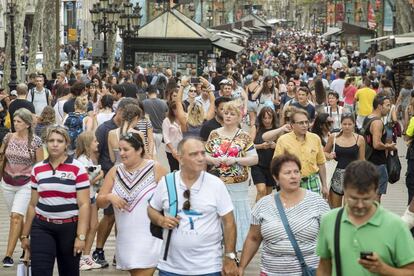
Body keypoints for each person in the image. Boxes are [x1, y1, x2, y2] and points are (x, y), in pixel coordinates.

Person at [148, 137, 238, 276]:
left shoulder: (216, 184)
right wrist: (161, 220)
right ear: (180, 158)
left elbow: (229, 222)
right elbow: (152, 209)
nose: (201, 158)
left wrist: (230, 257)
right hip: (171, 268)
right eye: (194, 154)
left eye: (203, 153)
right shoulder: (167, 182)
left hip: (208, 267)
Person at [316, 160, 414, 275]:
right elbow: (324, 267)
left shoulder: (396, 226)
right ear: (344, 190)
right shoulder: (330, 221)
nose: (360, 205)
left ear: (376, 191)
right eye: (353, 198)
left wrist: (383, 269)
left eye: (366, 199)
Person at [238, 153, 330, 275]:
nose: (293, 176)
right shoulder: (263, 205)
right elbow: (253, 238)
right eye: (288, 173)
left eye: (296, 172)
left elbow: (330, 238)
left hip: (308, 271)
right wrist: (241, 267)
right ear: (276, 178)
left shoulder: (317, 202)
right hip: (272, 272)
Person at [20, 125, 90, 276]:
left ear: (66, 144)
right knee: (40, 272)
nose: (55, 144)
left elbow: (84, 205)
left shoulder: (78, 168)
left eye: (59, 140)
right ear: (45, 143)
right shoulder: (37, 169)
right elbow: (33, 204)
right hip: (42, 227)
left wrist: (81, 236)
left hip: (70, 229)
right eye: (51, 140)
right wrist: (25, 235)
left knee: (69, 272)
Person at [97, 132, 167, 275]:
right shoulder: (115, 171)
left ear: (139, 149)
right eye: (120, 149)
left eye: (126, 149)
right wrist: (110, 197)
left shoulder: (155, 168)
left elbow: (170, 197)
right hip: (126, 238)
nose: (121, 153)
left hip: (150, 236)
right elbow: (100, 201)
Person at [205, 101, 258, 251]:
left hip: (238, 183)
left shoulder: (244, 136)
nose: (228, 116)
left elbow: (254, 159)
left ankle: (238, 247)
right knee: (216, 212)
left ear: (239, 117)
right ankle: (218, 246)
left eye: (232, 113)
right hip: (216, 181)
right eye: (226, 113)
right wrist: (212, 160)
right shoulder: (214, 134)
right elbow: (205, 153)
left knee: (237, 213)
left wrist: (236, 160)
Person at [92, 97, 138, 268]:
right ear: (119, 112)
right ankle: (98, 250)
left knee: (123, 217)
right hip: (108, 175)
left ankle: (120, 252)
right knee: (109, 216)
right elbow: (96, 152)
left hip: (128, 177)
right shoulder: (105, 129)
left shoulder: (131, 130)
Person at [0, 108, 43, 267]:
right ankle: (27, 247)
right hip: (7, 182)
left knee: (16, 216)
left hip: (26, 183)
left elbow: (39, 165)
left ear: (27, 124)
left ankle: (8, 255)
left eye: (18, 122)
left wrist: (39, 186)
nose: (15, 124)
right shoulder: (8, 137)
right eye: (15, 121)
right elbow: (2, 156)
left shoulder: (35, 141)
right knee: (16, 218)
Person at [274, 109, 329, 198]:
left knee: (314, 211)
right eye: (300, 123)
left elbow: (321, 163)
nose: (304, 125)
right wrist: (280, 183)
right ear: (292, 125)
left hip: (312, 180)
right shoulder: (283, 140)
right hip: (291, 181)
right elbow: (276, 165)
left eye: (306, 122)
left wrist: (325, 186)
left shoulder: (315, 138)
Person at [76, 131, 104, 270]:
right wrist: (99, 176)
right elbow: (86, 181)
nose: (97, 143)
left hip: (91, 195)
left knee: (94, 225)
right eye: (94, 141)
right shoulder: (81, 161)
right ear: (87, 144)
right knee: (86, 227)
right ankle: (80, 257)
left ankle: (87, 256)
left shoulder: (89, 159)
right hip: (85, 196)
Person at [324, 114, 365, 208]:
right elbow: (323, 153)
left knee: (349, 209)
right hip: (336, 176)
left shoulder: (360, 139)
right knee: (335, 209)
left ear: (354, 124)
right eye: (344, 124)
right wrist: (329, 156)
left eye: (349, 124)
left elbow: (362, 160)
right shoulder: (333, 137)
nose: (347, 126)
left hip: (352, 176)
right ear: (341, 124)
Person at [363, 95, 397, 202]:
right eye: (387, 105)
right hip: (377, 164)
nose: (389, 108)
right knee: (376, 198)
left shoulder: (368, 118)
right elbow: (376, 144)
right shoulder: (377, 122)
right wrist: (388, 146)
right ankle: (374, 218)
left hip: (368, 162)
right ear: (379, 106)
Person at [251, 107, 279, 201]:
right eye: (264, 118)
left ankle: (262, 213)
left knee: (268, 194)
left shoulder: (277, 130)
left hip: (271, 166)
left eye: (269, 118)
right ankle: (256, 214)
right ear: (261, 118)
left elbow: (283, 146)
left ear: (273, 118)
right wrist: (261, 146)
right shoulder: (256, 128)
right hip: (257, 165)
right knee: (261, 190)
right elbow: (248, 146)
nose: (267, 120)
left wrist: (276, 146)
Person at [142, 85, 168, 151]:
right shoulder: (163, 103)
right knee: (154, 153)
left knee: (149, 154)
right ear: (157, 92)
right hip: (159, 134)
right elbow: (166, 118)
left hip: (147, 133)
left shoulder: (143, 103)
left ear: (147, 93)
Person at [162, 101, 183, 172]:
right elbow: (166, 137)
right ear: (172, 110)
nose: (177, 110)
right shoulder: (167, 121)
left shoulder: (184, 119)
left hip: (183, 149)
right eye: (175, 109)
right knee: (174, 170)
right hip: (171, 150)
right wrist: (173, 149)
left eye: (179, 108)